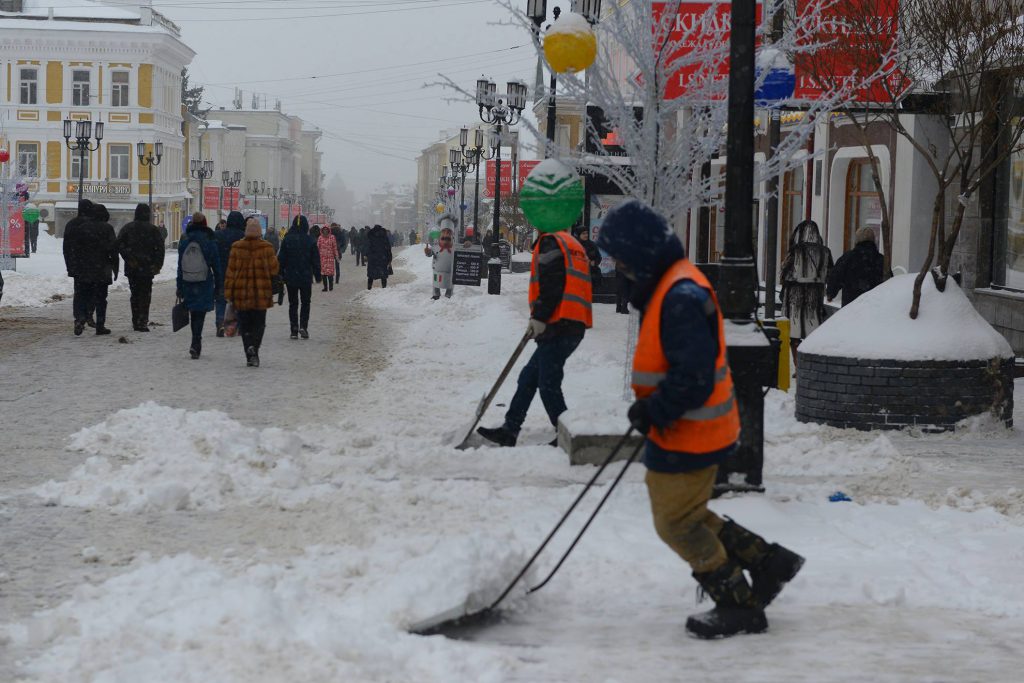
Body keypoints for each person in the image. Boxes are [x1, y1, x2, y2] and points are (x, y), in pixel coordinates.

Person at [595, 200, 804, 640]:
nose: (616, 266)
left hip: (691, 429)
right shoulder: (671, 285)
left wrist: (655, 409)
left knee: (676, 523)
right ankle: (769, 562)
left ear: (639, 253)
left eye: (619, 257)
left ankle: (737, 603)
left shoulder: (680, 296)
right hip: (688, 426)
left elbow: (691, 375)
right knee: (686, 513)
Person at [477, 221, 593, 448]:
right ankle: (510, 430)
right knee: (529, 377)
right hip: (571, 323)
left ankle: (566, 435)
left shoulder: (552, 243)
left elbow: (552, 284)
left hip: (559, 324)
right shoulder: (572, 243)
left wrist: (540, 316)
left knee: (548, 383)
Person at [225, 217, 279, 367]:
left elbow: (230, 271)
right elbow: (275, 269)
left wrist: (229, 292)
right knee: (259, 324)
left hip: (241, 294)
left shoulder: (236, 247)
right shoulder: (267, 247)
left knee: (245, 325)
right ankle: (254, 347)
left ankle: (249, 350)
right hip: (261, 294)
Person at [780, 219, 833, 362]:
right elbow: (829, 274)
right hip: (815, 296)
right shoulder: (825, 252)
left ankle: (798, 366)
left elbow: (784, 273)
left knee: (795, 334)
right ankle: (810, 362)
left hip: (794, 297)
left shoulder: (795, 250)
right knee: (813, 332)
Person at [177, 213, 221, 359]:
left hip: (188, 281)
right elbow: (216, 264)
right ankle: (196, 341)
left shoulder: (185, 240)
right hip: (204, 281)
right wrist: (219, 284)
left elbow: (179, 266)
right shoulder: (209, 239)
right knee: (200, 312)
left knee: (193, 312)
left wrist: (179, 285)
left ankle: (195, 340)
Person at [116, 203, 165, 332]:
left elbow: (119, 245)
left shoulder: (128, 228)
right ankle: (142, 320)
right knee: (145, 294)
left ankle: (136, 319)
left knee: (135, 294)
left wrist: (129, 258)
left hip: (133, 268)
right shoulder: (153, 230)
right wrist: (157, 265)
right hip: (147, 268)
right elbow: (160, 249)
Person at [72, 204, 119, 336]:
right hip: (102, 270)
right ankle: (100, 325)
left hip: (84, 269)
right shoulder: (107, 228)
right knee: (101, 299)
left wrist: (76, 267)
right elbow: (113, 250)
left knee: (83, 295)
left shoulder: (82, 228)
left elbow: (75, 249)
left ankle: (80, 318)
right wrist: (115, 268)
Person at [277, 215, 320, 339]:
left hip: (291, 276)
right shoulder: (310, 240)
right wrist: (318, 275)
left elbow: (281, 259)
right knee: (306, 302)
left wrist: (279, 273)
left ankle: (294, 329)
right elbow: (315, 260)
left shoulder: (287, 239)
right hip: (306, 276)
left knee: (293, 303)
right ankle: (303, 326)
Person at [827, 227, 885, 308]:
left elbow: (835, 277)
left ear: (857, 241)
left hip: (851, 308)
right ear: (874, 240)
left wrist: (830, 294)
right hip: (875, 308)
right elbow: (890, 283)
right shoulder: (881, 260)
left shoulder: (848, 258)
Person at [63, 199, 97, 332]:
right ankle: (88, 314)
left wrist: (69, 264)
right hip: (93, 265)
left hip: (77, 264)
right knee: (92, 291)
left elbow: (66, 247)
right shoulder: (93, 224)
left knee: (79, 292)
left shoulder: (71, 224)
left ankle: (79, 317)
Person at [214, 211, 246, 336]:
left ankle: (220, 322)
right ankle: (236, 325)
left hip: (222, 272)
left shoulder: (218, 235)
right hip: (239, 273)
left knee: (221, 299)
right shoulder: (243, 236)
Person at [424, 226, 455, 299]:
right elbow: (430, 253)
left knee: (450, 282)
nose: (445, 241)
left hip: (450, 270)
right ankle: (436, 294)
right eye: (443, 238)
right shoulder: (435, 246)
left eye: (448, 239)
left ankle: (449, 294)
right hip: (437, 270)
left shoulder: (455, 247)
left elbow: (463, 250)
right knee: (436, 281)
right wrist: (428, 252)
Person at [366, 223, 392, 289]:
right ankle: (384, 287)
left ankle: (369, 287)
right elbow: (388, 247)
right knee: (383, 273)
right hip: (382, 256)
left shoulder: (370, 234)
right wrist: (389, 258)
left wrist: (366, 255)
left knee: (371, 274)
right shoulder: (384, 235)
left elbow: (367, 246)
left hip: (372, 257)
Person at [317, 225, 340, 291]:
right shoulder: (320, 238)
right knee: (323, 273)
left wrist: (336, 256)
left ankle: (331, 286)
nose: (325, 231)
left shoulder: (332, 237)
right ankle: (325, 287)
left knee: (330, 273)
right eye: (324, 230)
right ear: (322, 230)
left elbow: (334, 247)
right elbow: (317, 247)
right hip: (322, 258)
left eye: (326, 230)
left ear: (328, 230)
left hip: (330, 258)